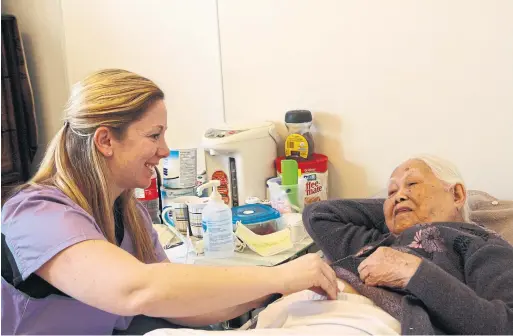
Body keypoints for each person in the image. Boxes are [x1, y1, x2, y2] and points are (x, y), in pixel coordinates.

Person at [1, 69, 338, 335]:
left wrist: (277, 291)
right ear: (105, 140)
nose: (164, 149)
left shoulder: (128, 214)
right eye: (153, 135)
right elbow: (137, 290)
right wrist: (278, 277)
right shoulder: (37, 214)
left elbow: (175, 304)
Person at [303, 155, 513, 335]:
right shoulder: (380, 241)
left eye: (412, 184)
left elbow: (506, 325)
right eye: (391, 192)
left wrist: (415, 273)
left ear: (456, 194)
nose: (398, 196)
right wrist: (398, 210)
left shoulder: (480, 244)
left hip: (366, 323)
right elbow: (318, 215)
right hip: (306, 311)